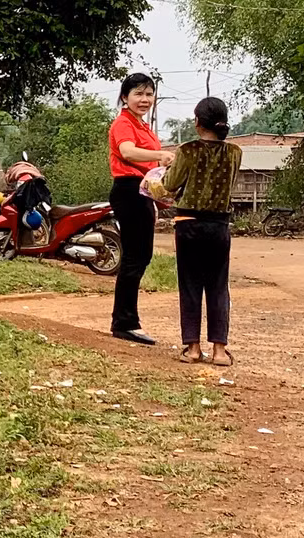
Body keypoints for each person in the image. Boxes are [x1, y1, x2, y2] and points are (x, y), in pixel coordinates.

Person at [159, 97, 242, 366]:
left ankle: (193, 348)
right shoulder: (235, 153)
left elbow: (170, 186)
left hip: (188, 224)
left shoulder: (186, 151)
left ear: (197, 122)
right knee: (218, 286)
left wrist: (157, 179)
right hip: (219, 225)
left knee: (191, 285)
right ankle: (219, 350)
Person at [108, 73, 175, 345]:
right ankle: (124, 322)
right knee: (136, 257)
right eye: (138, 93)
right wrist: (160, 155)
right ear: (125, 97)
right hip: (128, 190)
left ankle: (126, 319)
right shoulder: (123, 124)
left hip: (142, 192)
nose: (144, 99)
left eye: (149, 94)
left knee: (142, 256)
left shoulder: (143, 126)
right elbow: (128, 152)